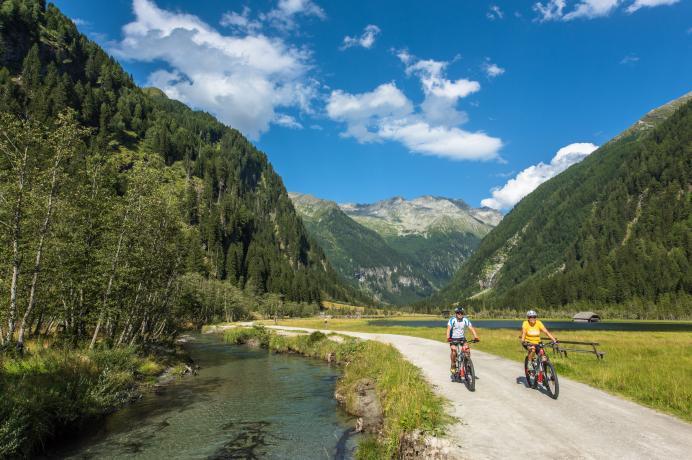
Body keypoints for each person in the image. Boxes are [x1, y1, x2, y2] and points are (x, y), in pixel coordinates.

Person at [446, 306, 479, 375]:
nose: (460, 314)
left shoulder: (465, 320)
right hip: (453, 338)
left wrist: (476, 337)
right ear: (456, 313)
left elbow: (471, 328)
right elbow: (448, 329)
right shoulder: (452, 320)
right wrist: (448, 337)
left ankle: (467, 365)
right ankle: (453, 365)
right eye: (458, 313)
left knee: (467, 350)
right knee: (454, 350)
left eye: (461, 313)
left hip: (462, 338)